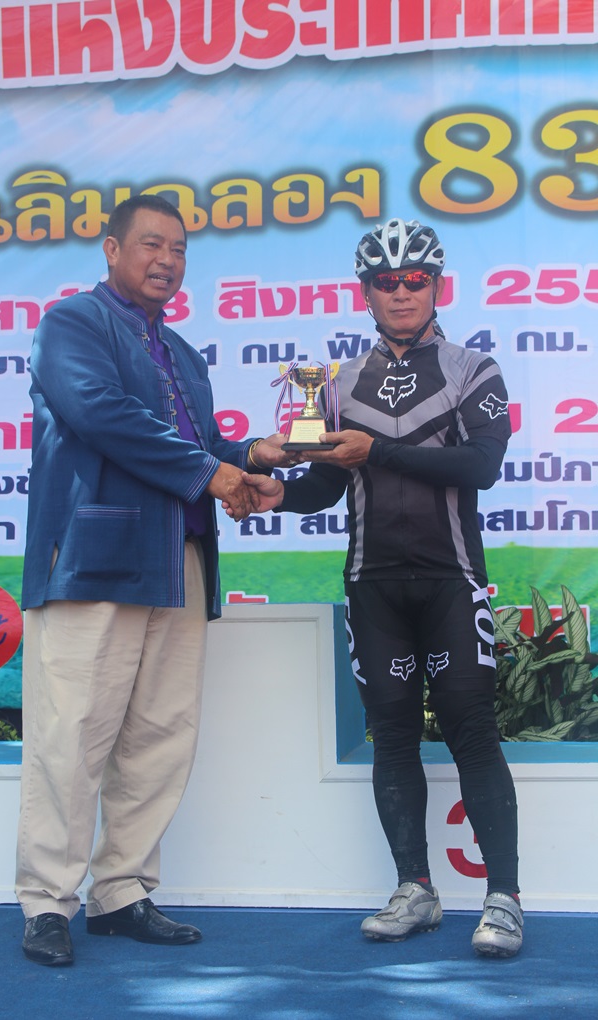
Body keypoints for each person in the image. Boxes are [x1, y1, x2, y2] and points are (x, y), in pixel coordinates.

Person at [238, 218, 523, 958]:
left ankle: (503, 898)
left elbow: (481, 466)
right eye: (386, 281)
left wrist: (381, 451)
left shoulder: (473, 368)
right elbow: (328, 483)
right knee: (392, 735)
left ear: (437, 285)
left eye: (415, 279)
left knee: (471, 728)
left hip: (452, 579)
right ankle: (414, 889)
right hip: (373, 584)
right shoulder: (338, 385)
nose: (402, 292)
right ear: (365, 292)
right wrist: (278, 494)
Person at [16, 194, 288, 966]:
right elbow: (101, 414)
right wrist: (213, 473)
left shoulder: (184, 353)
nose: (167, 260)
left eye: (179, 249)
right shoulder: (72, 324)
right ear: (111, 249)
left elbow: (200, 445)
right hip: (95, 558)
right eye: (151, 244)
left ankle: (122, 891)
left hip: (179, 562)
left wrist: (252, 459)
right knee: (71, 734)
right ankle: (47, 901)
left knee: (159, 737)